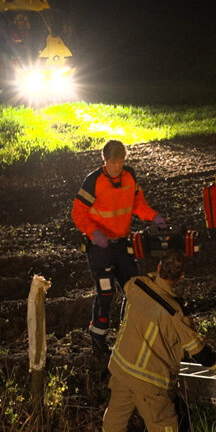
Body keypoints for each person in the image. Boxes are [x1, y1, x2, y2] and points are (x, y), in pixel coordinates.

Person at [100, 251, 216, 432]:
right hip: (149, 381)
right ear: (181, 276)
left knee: (115, 418)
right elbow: (200, 352)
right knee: (165, 427)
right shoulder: (176, 313)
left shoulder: (136, 285)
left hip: (122, 369)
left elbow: (128, 287)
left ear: (158, 267)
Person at [72, 140, 167, 356]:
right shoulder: (93, 181)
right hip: (100, 248)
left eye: (121, 162)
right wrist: (94, 233)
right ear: (105, 160)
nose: (118, 167)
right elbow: (78, 213)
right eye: (114, 162)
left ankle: (128, 336)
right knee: (106, 293)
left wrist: (154, 217)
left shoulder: (129, 175)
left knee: (135, 290)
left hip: (122, 245)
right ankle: (98, 341)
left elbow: (138, 205)